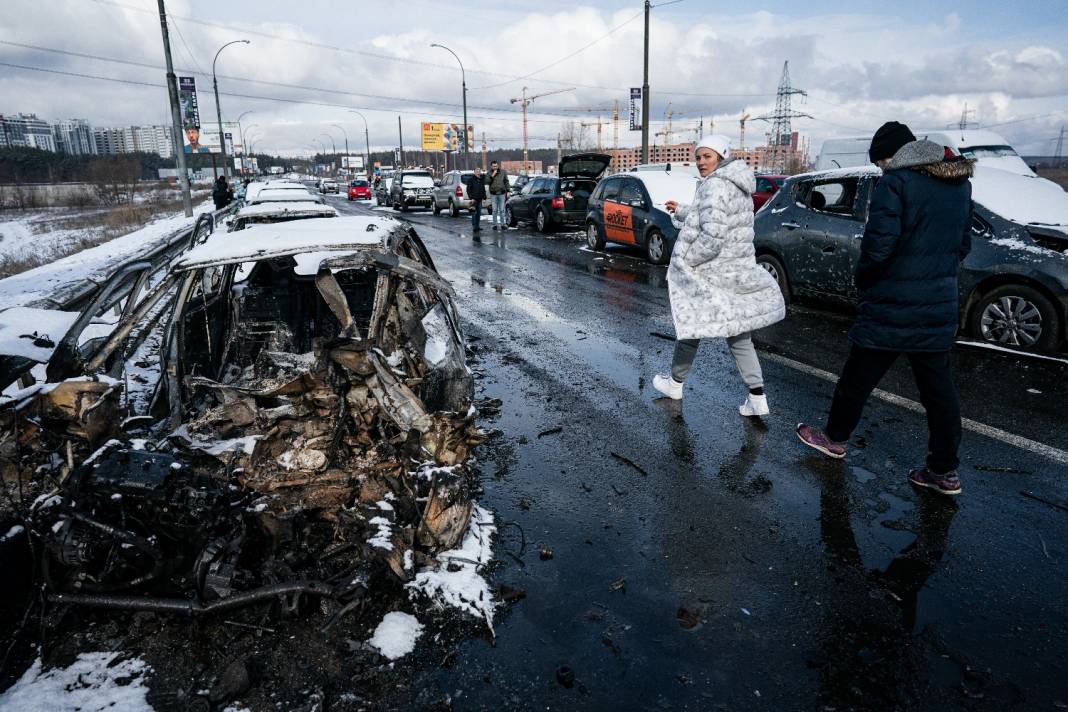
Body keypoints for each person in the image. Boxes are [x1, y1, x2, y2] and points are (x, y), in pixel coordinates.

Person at [796, 121, 974, 497]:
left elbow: (878, 247)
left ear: (892, 155)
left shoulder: (896, 184)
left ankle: (834, 438)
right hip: (937, 304)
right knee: (939, 394)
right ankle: (944, 472)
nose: (879, 169)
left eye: (880, 162)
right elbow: (963, 245)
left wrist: (864, 279)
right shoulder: (958, 184)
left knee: (857, 380)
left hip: (893, 302)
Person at [653, 135, 785, 416]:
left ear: (721, 157)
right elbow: (713, 218)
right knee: (738, 336)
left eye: (707, 156)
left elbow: (712, 236)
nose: (700, 162)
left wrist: (688, 261)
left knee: (691, 326)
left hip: (712, 273)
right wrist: (683, 211)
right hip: (735, 272)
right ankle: (757, 397)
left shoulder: (714, 186)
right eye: (698, 156)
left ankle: (675, 383)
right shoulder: (737, 185)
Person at [487, 161, 510, 229]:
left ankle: (503, 224)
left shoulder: (503, 172)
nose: (495, 167)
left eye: (496, 166)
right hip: (493, 194)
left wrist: (508, 191)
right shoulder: (489, 173)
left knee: (502, 210)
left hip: (502, 194)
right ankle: (494, 225)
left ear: (498, 166)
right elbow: (487, 182)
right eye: (494, 166)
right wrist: (492, 175)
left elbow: (506, 181)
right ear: (491, 166)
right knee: (494, 210)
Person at [467, 166, 487, 233]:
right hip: (474, 200)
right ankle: (474, 226)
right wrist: (471, 198)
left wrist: (484, 197)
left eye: (479, 171)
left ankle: (478, 226)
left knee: (479, 213)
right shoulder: (471, 180)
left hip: (480, 199)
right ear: (474, 172)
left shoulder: (481, 180)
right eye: (477, 171)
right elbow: (468, 189)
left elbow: (483, 189)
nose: (478, 172)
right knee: (474, 213)